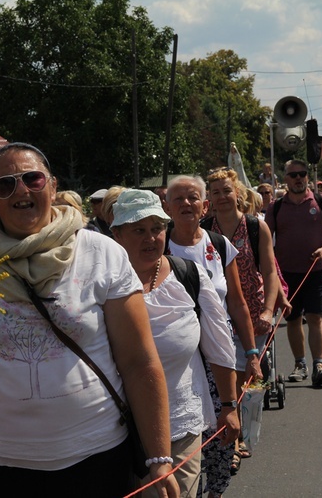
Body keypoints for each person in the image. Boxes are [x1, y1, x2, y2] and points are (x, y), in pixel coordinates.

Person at [0, 143, 179, 497]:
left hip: (95, 459)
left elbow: (139, 362)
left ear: (52, 186)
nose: (21, 190)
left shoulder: (101, 254)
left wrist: (159, 458)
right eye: (6, 185)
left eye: (32, 179)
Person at [111, 189, 239, 498]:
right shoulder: (102, 285)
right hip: (115, 433)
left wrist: (229, 405)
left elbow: (220, 347)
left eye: (157, 228)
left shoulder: (188, 276)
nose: (150, 237)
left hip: (180, 425)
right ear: (116, 235)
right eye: (138, 230)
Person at [164, 175, 259, 496]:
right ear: (167, 207)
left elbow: (237, 302)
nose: (186, 204)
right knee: (183, 438)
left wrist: (250, 352)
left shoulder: (219, 245)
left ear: (205, 206)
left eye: (193, 198)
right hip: (179, 360)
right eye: (178, 199)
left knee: (222, 436)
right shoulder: (157, 247)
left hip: (219, 354)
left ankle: (214, 492)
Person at [204, 169, 283, 472]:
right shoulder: (203, 229)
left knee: (249, 379)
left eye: (226, 191)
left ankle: (246, 433)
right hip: (220, 316)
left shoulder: (255, 226)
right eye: (215, 192)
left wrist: (268, 310)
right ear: (209, 198)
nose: (222, 197)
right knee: (229, 376)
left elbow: (271, 271)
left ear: (237, 192)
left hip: (253, 316)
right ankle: (232, 440)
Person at [266, 159, 322, 388]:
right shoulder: (276, 206)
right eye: (293, 175)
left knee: (314, 317)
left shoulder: (320, 201)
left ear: (307, 177)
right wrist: (269, 264)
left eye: (302, 174)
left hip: (316, 272)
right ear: (286, 179)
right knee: (292, 320)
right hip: (287, 274)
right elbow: (265, 237)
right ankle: (300, 364)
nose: (298, 178)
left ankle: (319, 366)